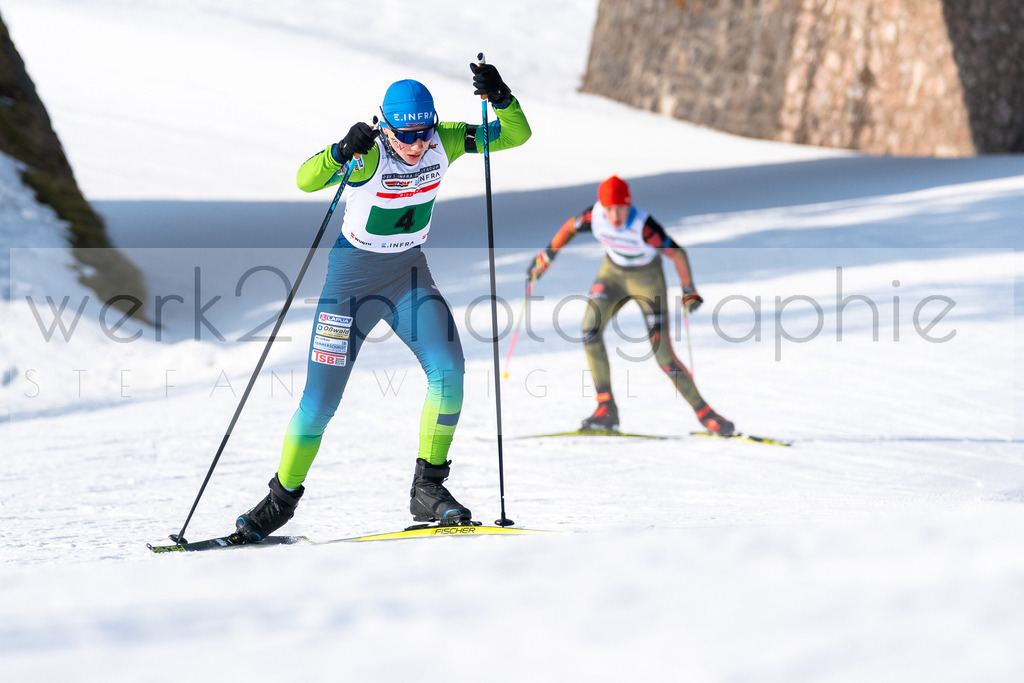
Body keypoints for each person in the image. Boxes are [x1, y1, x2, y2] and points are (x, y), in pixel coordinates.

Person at [234, 63, 531, 541]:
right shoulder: (369, 156)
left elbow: (514, 135)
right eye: (405, 135)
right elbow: (306, 180)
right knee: (320, 402)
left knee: (450, 372)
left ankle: (427, 489)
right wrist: (339, 151)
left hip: (408, 277)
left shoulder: (446, 141)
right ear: (386, 127)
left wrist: (502, 98)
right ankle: (279, 501)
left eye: (424, 133)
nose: (416, 145)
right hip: (349, 285)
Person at [527, 175, 734, 435]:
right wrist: (546, 257)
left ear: (629, 205)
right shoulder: (594, 216)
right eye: (610, 209)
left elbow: (677, 254)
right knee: (589, 330)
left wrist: (688, 290)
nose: (615, 216)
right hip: (612, 276)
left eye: (621, 208)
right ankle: (606, 409)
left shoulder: (644, 226)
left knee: (663, 356)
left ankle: (706, 414)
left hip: (647, 281)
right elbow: (570, 227)